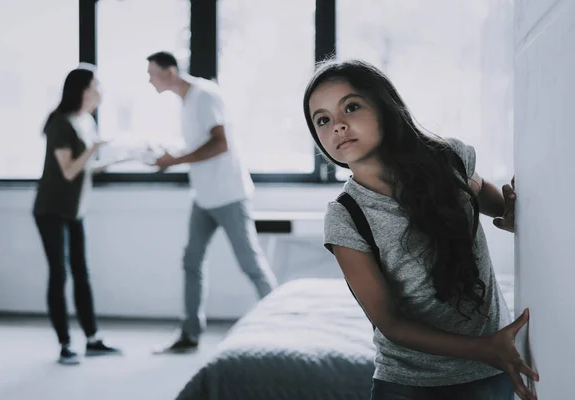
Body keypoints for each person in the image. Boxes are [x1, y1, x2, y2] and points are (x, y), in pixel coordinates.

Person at [303, 59, 539, 400]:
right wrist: (485, 348)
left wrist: (518, 212)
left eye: (351, 107)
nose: (337, 126)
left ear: (384, 107)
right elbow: (390, 322)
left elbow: (506, 208)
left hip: (494, 369)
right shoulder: (346, 216)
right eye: (322, 119)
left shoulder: (449, 160)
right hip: (412, 387)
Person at [145, 51, 278, 352]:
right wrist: (171, 154)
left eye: (151, 73)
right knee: (191, 260)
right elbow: (200, 145)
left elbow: (220, 144)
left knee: (250, 264)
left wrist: (176, 159)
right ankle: (190, 334)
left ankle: (283, 325)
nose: (148, 80)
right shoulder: (186, 101)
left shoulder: (204, 96)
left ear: (169, 72)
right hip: (204, 196)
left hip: (229, 195)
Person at [33, 66, 127, 365]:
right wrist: (94, 149)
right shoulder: (60, 123)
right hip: (51, 210)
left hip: (74, 210)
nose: (101, 91)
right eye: (97, 85)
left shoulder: (86, 122)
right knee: (59, 275)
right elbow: (69, 169)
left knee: (81, 273)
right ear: (84, 90)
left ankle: (92, 338)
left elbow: (85, 166)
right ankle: (65, 344)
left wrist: (122, 157)